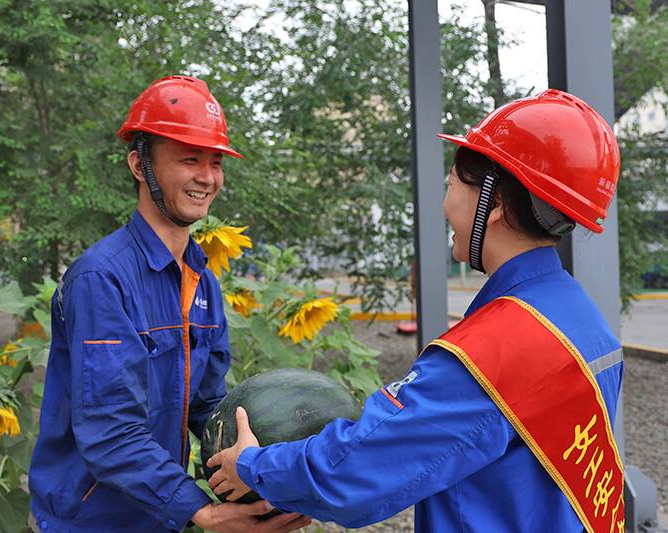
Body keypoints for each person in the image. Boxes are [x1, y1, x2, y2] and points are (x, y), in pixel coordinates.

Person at [207, 89, 626, 533]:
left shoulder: (493, 351)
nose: (445, 205)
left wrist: (253, 465)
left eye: (451, 185)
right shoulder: (581, 316)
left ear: (496, 203)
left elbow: (358, 469)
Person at [28, 76, 310, 533]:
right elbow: (109, 430)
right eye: (189, 159)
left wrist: (265, 466)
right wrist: (203, 512)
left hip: (159, 516)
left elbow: (208, 405)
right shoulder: (101, 278)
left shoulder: (202, 280)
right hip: (92, 521)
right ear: (139, 166)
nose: (207, 177)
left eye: (215, 162)